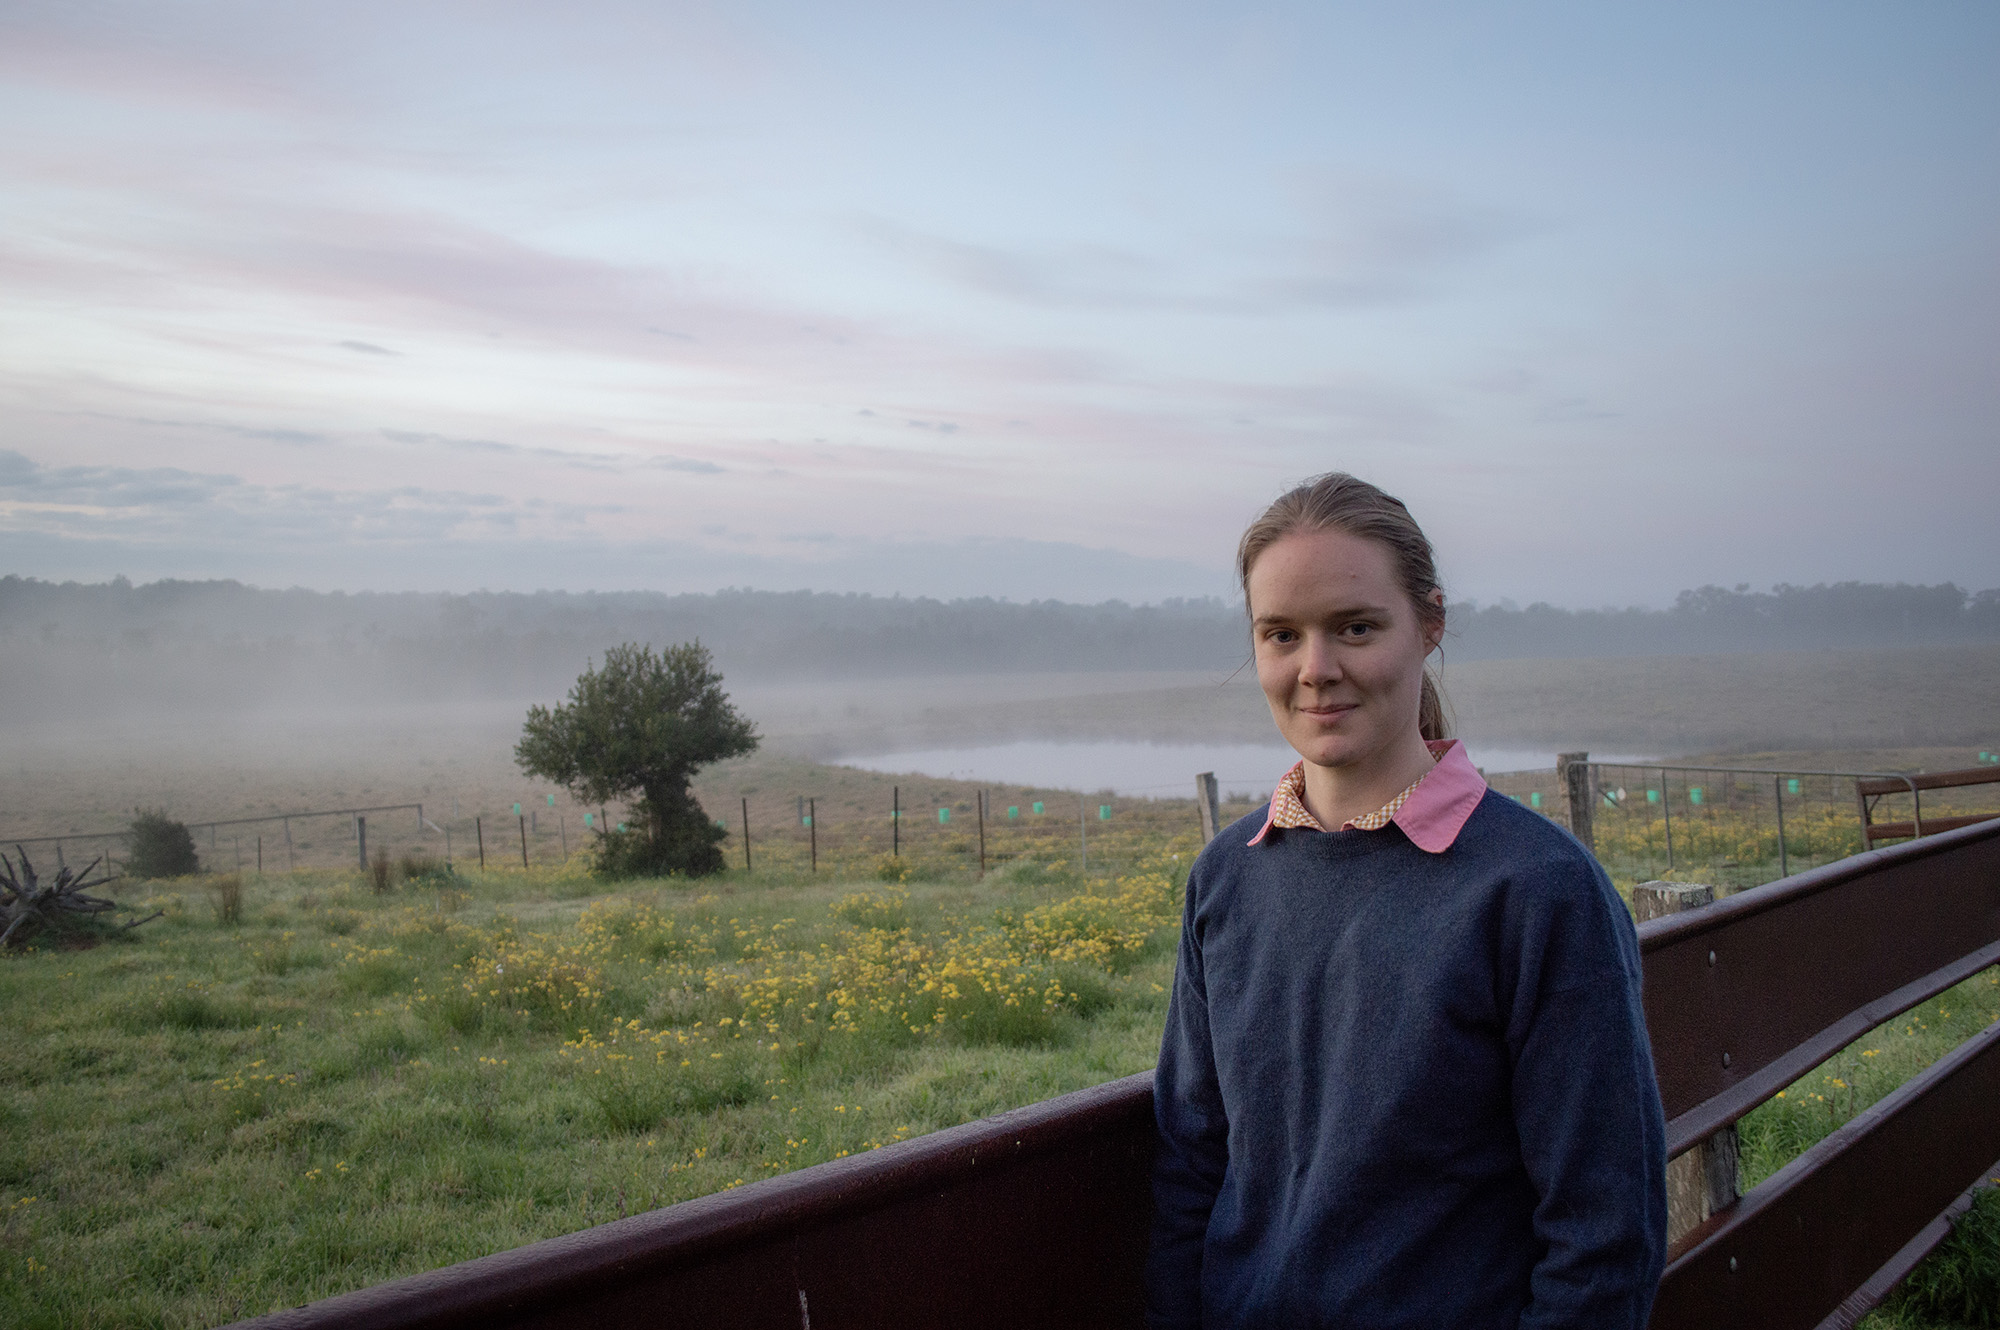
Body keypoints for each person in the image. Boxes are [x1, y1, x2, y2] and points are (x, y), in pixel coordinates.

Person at [1146, 473, 1666, 1330]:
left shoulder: (1537, 888)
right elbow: (1190, 1165)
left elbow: (1606, 1226)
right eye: (1281, 635)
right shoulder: (1227, 877)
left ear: (1429, 624)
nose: (1316, 670)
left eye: (1355, 626)